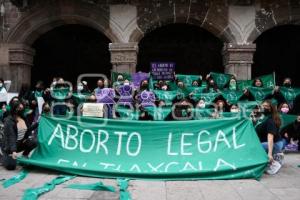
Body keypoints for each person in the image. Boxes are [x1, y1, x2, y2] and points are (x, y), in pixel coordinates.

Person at [2, 100, 37, 170]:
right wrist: (13, 151)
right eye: (19, 108)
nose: (21, 109)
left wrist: (37, 124)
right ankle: (2, 157)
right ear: (14, 109)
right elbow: (11, 136)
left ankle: (25, 155)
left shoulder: (23, 118)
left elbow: (28, 129)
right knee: (11, 167)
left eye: (22, 108)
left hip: (19, 144)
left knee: (34, 141)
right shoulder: (9, 121)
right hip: (9, 147)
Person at [255, 100, 284, 174]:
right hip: (268, 142)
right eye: (263, 106)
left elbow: (270, 137)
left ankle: (275, 161)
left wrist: (269, 154)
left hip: (274, 143)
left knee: (255, 147)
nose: (263, 107)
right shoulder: (263, 117)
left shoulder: (270, 120)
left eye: (266, 106)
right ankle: (276, 155)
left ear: (270, 108)